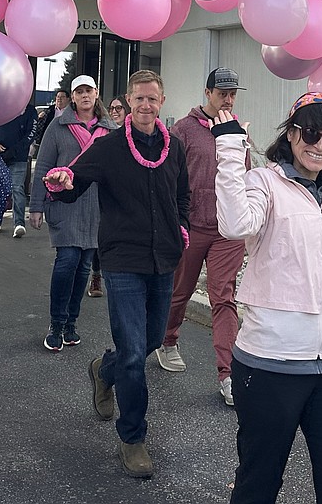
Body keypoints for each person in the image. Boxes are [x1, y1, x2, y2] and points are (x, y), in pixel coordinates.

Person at [212, 91, 322, 504]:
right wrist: (228, 149)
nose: (319, 146)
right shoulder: (265, 183)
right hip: (270, 366)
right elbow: (234, 223)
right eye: (311, 133)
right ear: (292, 133)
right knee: (258, 484)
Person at [43, 70, 189, 480]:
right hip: (123, 261)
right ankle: (133, 438)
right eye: (139, 99)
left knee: (154, 340)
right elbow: (74, 179)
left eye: (152, 99)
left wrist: (182, 230)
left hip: (163, 259)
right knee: (132, 353)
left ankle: (101, 370)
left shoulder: (173, 147)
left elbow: (182, 196)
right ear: (128, 100)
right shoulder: (108, 147)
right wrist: (60, 181)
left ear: (162, 100)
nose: (146, 106)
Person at [156, 67, 248, 408]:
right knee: (179, 290)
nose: (228, 98)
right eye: (222, 92)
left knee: (223, 297)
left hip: (227, 230)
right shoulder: (182, 129)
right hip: (192, 226)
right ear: (207, 92)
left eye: (232, 93)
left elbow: (243, 177)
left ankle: (229, 375)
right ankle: (167, 339)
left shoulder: (237, 131)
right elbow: (168, 178)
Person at [30, 76, 117, 351]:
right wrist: (35, 206)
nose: (85, 96)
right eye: (79, 92)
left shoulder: (110, 130)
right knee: (67, 261)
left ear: (96, 93)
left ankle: (71, 323)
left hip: (95, 208)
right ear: (73, 97)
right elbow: (43, 164)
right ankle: (56, 322)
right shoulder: (58, 125)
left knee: (82, 269)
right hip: (65, 203)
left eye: (89, 90)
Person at [89, 96, 133, 298]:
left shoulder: (135, 134)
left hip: (126, 196)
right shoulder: (103, 133)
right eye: (112, 108)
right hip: (102, 192)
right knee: (100, 235)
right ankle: (96, 275)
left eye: (119, 108)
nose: (114, 111)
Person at [0, 101, 38, 238]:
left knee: (16, 188)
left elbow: (31, 133)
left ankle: (19, 223)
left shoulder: (29, 111)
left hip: (18, 156)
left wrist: (15, 150)